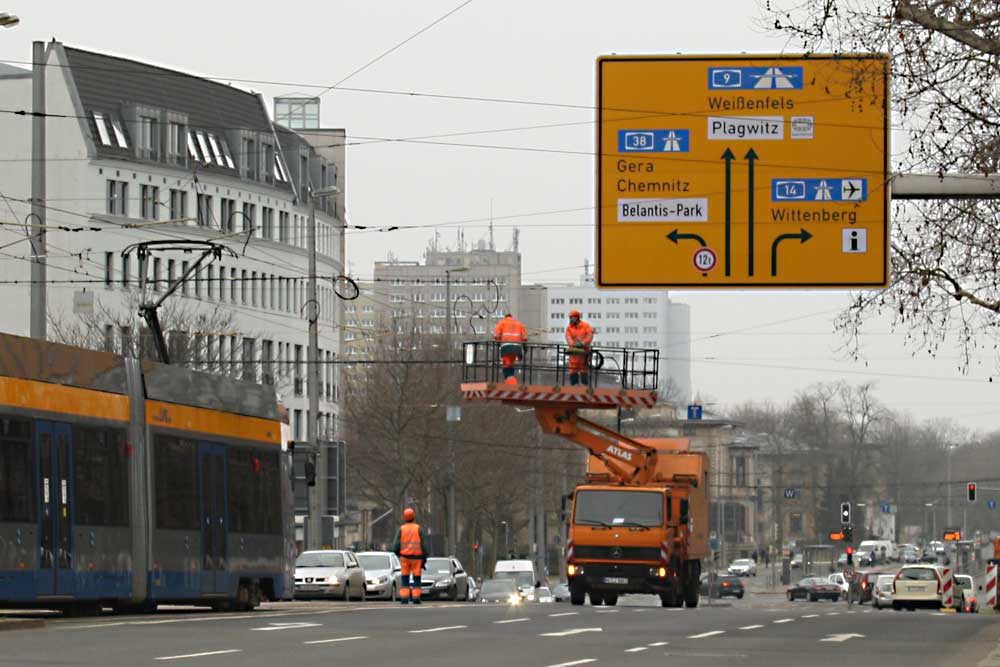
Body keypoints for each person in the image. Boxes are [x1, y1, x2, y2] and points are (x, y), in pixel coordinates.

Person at [392, 507, 428, 605]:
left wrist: (399, 553)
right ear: (413, 516)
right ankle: (416, 598)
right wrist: (424, 558)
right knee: (416, 579)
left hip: (404, 558)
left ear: (404, 517)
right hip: (417, 558)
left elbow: (395, 546)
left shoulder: (401, 529)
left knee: (405, 579)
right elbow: (424, 545)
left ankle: (404, 598)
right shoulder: (418, 529)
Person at [493, 313, 528, 386]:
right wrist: (524, 348)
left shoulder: (502, 322)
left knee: (506, 365)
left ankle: (511, 383)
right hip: (517, 348)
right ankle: (509, 381)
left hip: (506, 347)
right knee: (511, 364)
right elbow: (525, 338)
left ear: (505, 317)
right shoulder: (518, 323)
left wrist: (499, 340)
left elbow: (496, 336)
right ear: (511, 317)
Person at [564, 310, 594, 386]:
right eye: (570, 317)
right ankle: (574, 385)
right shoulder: (569, 328)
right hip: (574, 352)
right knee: (573, 368)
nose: (570, 319)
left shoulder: (586, 326)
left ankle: (584, 385)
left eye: (572, 317)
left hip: (584, 352)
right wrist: (573, 344)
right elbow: (568, 337)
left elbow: (589, 335)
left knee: (584, 369)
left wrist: (583, 343)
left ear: (577, 317)